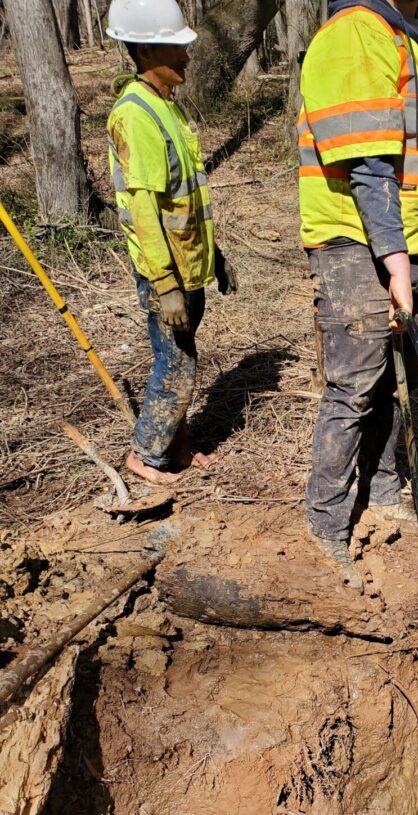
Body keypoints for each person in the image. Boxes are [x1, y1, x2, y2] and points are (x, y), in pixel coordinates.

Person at [298, 0, 418, 588]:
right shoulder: (357, 31)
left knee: (401, 381)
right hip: (356, 242)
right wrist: (393, 264)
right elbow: (368, 165)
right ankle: (326, 527)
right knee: (356, 386)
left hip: (414, 243)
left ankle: (384, 488)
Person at [106, 0, 237, 485]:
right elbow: (143, 209)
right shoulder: (136, 115)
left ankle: (177, 447)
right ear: (143, 50)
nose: (186, 59)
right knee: (176, 364)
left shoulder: (165, 107)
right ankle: (145, 456)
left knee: (184, 357)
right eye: (174, 49)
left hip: (189, 263)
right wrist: (165, 285)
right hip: (168, 272)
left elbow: (184, 198)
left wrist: (215, 256)